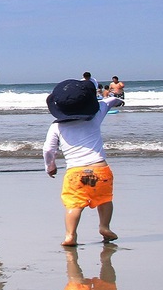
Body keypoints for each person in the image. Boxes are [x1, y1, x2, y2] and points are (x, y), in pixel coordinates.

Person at [43, 78, 118, 247]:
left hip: (75, 173)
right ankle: (104, 227)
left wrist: (50, 166)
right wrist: (118, 100)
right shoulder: (94, 117)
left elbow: (48, 149)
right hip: (100, 169)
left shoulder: (56, 127)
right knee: (104, 199)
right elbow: (108, 102)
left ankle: (70, 235)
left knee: (74, 204)